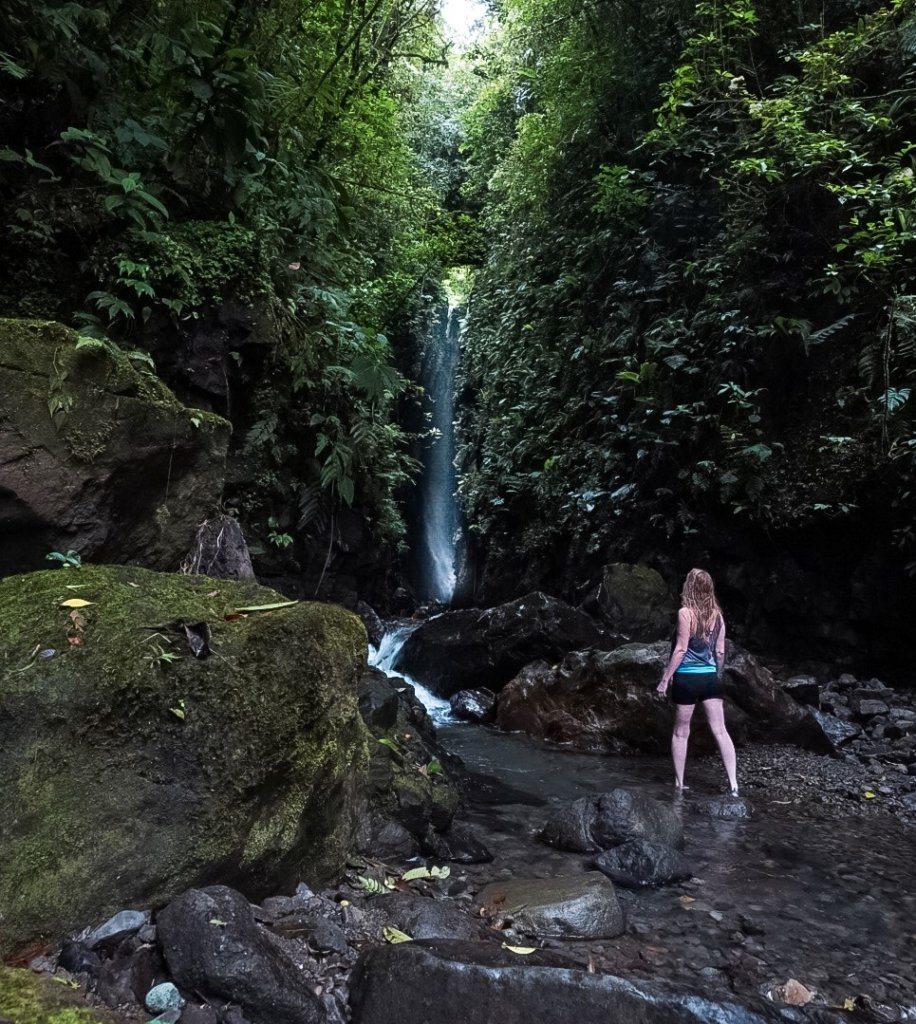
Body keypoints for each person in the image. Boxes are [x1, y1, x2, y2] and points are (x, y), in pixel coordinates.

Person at [656, 568, 738, 796]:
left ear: (689, 586)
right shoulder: (718, 616)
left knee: (681, 732)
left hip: (687, 679)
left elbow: (681, 648)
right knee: (721, 731)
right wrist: (717, 675)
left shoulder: (685, 613)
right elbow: (720, 652)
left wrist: (665, 679)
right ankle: (733, 784)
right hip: (710, 678)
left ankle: (680, 784)